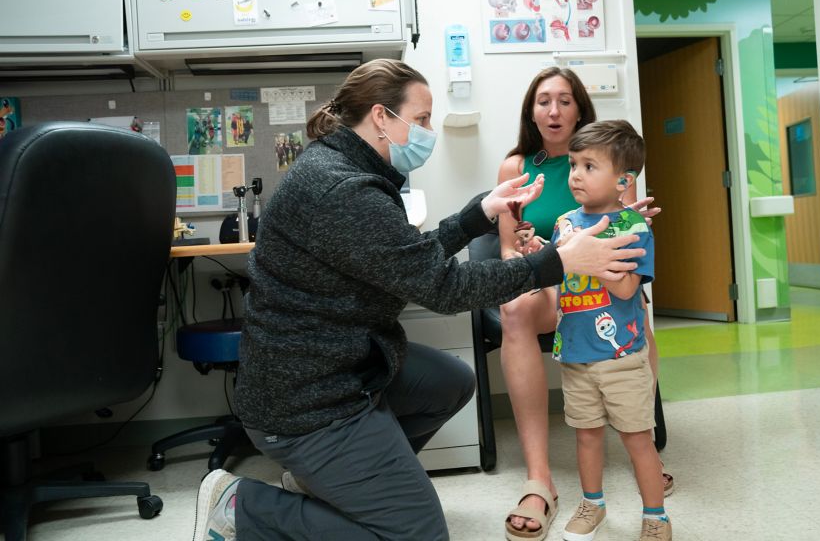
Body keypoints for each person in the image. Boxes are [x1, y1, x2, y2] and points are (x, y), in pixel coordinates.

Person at [191, 59, 649, 541]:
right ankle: (240, 507)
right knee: (419, 535)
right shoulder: (345, 188)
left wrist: (478, 214)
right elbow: (443, 287)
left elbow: (405, 257)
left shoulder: (350, 167)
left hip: (343, 366)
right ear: (383, 117)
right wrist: (558, 262)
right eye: (423, 118)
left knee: (448, 382)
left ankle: (332, 483)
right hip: (306, 400)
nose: (430, 130)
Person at [498, 67, 669, 541]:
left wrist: (597, 249)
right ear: (531, 110)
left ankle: (651, 488)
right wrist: (541, 257)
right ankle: (562, 490)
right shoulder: (526, 179)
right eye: (543, 100)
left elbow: (625, 272)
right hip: (563, 312)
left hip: (610, 316)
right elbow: (518, 250)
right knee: (584, 431)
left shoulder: (621, 193)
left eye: (565, 100)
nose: (553, 110)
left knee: (637, 430)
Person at [551, 120, 670, 541]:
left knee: (639, 440)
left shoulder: (633, 228)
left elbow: (625, 288)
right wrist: (549, 253)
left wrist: (589, 252)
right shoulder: (564, 222)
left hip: (623, 358)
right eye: (573, 165)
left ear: (623, 180)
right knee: (586, 437)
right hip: (576, 353)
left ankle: (655, 516)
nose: (576, 175)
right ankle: (593, 505)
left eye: (588, 166)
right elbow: (556, 275)